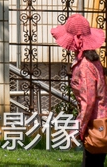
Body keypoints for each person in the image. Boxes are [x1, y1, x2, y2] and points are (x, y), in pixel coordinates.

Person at [56, 13, 107, 165]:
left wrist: (77, 130)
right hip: (100, 123)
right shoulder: (94, 61)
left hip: (94, 125)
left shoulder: (84, 66)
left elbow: (88, 102)